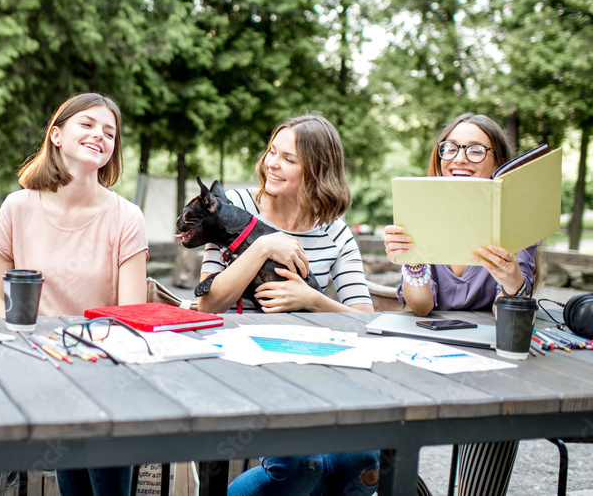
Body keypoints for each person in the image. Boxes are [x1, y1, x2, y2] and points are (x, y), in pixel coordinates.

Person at [0, 92, 148, 496]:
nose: (100, 136)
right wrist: (23, 338)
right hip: (36, 366)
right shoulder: (17, 207)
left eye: (110, 132)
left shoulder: (126, 217)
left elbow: (130, 315)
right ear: (56, 135)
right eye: (87, 124)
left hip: (102, 371)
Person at [204, 114, 377, 496]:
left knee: (363, 459)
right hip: (243, 363)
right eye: (271, 151)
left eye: (289, 159)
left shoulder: (334, 229)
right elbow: (207, 303)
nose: (272, 163)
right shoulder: (232, 207)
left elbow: (366, 318)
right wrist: (265, 244)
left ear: (317, 171)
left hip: (313, 368)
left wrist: (312, 300)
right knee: (300, 466)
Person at [384, 113, 536, 496]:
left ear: (498, 162)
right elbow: (420, 306)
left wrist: (511, 278)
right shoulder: (420, 210)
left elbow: (511, 310)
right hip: (424, 348)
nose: (459, 158)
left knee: (501, 410)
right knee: (378, 423)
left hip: (491, 359)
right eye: (449, 148)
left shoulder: (518, 220)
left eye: (474, 149)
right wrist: (412, 258)